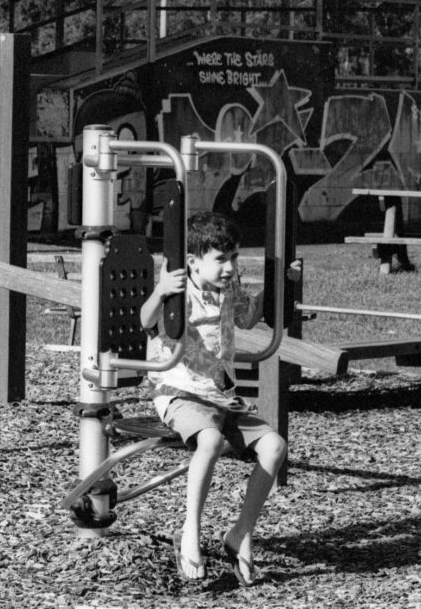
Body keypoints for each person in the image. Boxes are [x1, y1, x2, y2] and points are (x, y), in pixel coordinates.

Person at [140, 211, 293, 586]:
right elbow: (146, 321)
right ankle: (190, 531)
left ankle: (239, 532)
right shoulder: (179, 291)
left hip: (219, 394)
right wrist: (160, 291)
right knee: (210, 439)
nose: (229, 267)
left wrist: (278, 286)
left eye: (234, 258)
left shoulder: (228, 289)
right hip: (179, 391)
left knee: (275, 446)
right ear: (194, 261)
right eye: (221, 260)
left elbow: (247, 319)